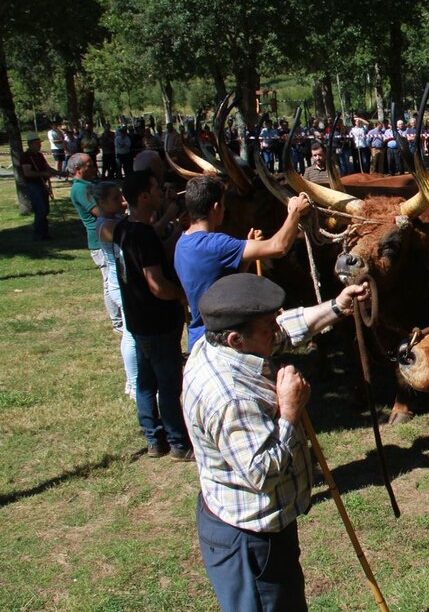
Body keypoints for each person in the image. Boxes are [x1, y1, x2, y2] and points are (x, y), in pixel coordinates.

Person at [182, 273, 368, 611]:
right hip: (250, 542)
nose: (276, 329)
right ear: (237, 338)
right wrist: (290, 413)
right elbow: (263, 475)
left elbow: (283, 330)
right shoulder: (231, 398)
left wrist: (336, 307)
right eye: (268, 325)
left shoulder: (218, 345)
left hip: (259, 531)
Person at [175, 175, 311, 352]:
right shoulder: (216, 245)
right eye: (224, 205)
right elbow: (279, 247)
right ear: (216, 207)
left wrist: (245, 256)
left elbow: (224, 281)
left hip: (200, 337)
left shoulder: (182, 243)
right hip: (225, 342)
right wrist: (295, 213)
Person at [114, 170, 192, 459]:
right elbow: (157, 286)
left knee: (146, 382)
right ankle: (178, 444)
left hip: (138, 321)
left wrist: (174, 226)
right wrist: (182, 294)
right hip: (157, 321)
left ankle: (154, 440)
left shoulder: (125, 229)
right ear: (144, 196)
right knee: (169, 384)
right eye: (157, 188)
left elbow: (155, 248)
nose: (161, 191)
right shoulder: (143, 235)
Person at [67, 152, 123, 330]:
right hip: (100, 240)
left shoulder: (88, 185)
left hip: (105, 236)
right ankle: (117, 322)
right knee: (110, 280)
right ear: (78, 169)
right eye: (89, 164)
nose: (94, 166)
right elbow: (99, 211)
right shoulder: (80, 189)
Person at [95, 182, 138, 399]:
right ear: (101, 202)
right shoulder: (104, 226)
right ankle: (133, 384)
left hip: (125, 284)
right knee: (130, 334)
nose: (121, 201)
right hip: (119, 286)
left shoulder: (117, 220)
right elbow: (133, 236)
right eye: (115, 198)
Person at [20, 132, 58, 241]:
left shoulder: (39, 155)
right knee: (41, 210)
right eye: (37, 143)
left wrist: (60, 173)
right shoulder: (26, 156)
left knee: (45, 210)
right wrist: (43, 174)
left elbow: (47, 168)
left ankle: (44, 233)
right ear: (31, 144)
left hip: (42, 184)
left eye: (40, 143)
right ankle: (38, 234)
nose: (40, 145)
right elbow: (27, 173)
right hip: (33, 185)